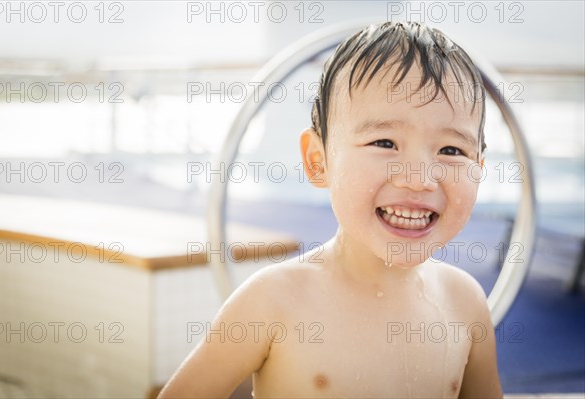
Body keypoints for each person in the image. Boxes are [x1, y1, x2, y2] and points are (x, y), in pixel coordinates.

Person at [158, 21, 502, 398]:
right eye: (385, 142)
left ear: (480, 170)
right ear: (318, 161)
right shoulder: (273, 301)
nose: (418, 178)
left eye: (452, 150)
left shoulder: (465, 303)